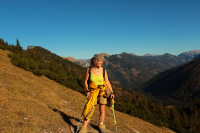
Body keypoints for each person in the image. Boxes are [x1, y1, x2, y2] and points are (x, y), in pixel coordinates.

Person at [79, 54, 115, 133]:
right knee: (89, 108)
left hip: (103, 92)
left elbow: (107, 81)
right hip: (93, 91)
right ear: (95, 61)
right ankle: (84, 127)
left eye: (102, 61)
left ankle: (101, 125)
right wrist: (87, 90)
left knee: (102, 110)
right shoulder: (89, 70)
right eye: (99, 61)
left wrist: (111, 92)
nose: (101, 62)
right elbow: (86, 81)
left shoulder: (104, 70)